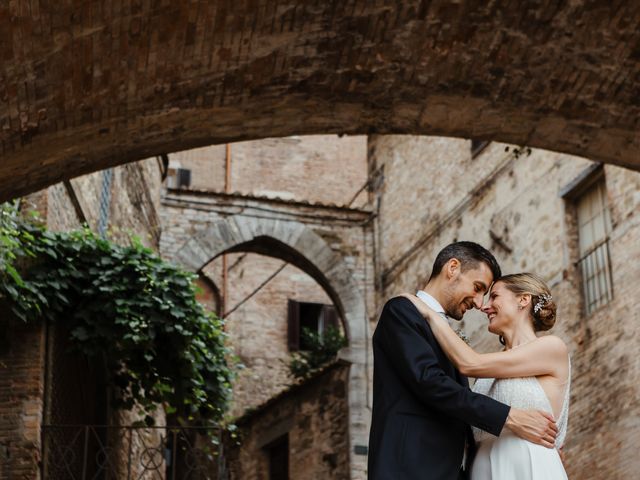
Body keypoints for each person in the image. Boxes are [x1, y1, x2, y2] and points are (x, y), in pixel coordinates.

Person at [368, 242, 558, 480]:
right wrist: (509, 417)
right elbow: (429, 381)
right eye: (478, 288)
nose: (480, 303)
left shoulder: (448, 335)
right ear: (453, 268)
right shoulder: (403, 311)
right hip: (409, 468)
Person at [403, 272, 570, 479]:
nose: (484, 306)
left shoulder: (551, 348)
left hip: (527, 463)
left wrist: (430, 315)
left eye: (495, 296)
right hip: (483, 468)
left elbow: (469, 363)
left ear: (523, 299)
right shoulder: (488, 375)